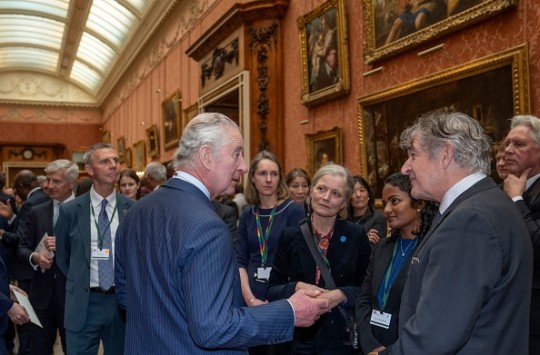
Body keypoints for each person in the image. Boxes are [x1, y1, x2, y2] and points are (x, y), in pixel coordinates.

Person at [114, 112, 329, 354]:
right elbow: (214, 329)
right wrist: (290, 311)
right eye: (236, 153)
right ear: (206, 156)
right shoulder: (208, 226)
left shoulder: (135, 212)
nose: (244, 166)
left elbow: (126, 298)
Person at [369, 111, 532, 354]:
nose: (405, 168)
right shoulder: (488, 203)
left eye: (413, 155)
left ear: (445, 154)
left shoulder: (470, 221)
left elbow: (435, 336)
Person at [267, 163, 371, 354]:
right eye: (321, 189)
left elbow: (367, 289)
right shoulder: (290, 235)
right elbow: (272, 290)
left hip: (339, 338)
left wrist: (341, 294)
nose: (325, 197)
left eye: (335, 194)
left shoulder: (356, 235)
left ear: (344, 202)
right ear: (311, 191)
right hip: (295, 339)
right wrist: (296, 287)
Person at [55, 143, 134, 355]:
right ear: (89, 170)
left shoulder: (132, 209)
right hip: (84, 301)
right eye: (105, 161)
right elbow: (62, 257)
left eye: (116, 160)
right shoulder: (71, 210)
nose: (114, 166)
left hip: (121, 303)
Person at [356, 173, 436, 354]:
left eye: (395, 201)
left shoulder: (431, 248)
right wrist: (371, 346)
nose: (387, 210)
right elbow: (364, 299)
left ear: (419, 203)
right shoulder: (383, 247)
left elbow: (429, 313)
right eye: (384, 204)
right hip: (371, 344)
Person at [235, 151, 305, 355]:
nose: (268, 179)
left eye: (274, 174)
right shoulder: (248, 214)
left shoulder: (293, 211)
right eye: (263, 173)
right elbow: (240, 260)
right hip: (251, 298)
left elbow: (300, 261)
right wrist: (251, 301)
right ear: (253, 178)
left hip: (283, 297)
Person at [18, 159, 79, 355]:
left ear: (71, 183)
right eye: (48, 180)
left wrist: (64, 246)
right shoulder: (36, 211)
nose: (49, 186)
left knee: (75, 349)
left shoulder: (85, 211)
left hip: (73, 295)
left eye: (56, 181)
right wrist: (35, 256)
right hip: (42, 295)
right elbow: (22, 247)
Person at [501, 114, 540, 353]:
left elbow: (537, 244)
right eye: (507, 143)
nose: (508, 150)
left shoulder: (513, 193)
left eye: (519, 144)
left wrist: (516, 199)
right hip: (507, 309)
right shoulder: (500, 188)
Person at [348, 175, 387, 244]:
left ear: (368, 194)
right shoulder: (343, 219)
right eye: (353, 191)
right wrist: (364, 239)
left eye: (362, 190)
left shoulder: (378, 218)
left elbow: (373, 248)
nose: (358, 195)